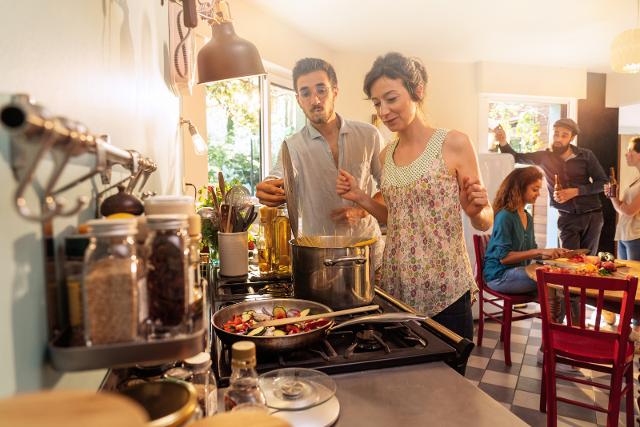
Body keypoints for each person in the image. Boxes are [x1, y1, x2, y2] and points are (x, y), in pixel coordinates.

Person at [335, 52, 492, 339]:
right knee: (406, 381)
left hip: (446, 288)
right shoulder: (386, 156)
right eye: (377, 103)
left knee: (452, 381)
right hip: (398, 289)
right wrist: (361, 197)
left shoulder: (453, 143)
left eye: (391, 98)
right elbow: (396, 218)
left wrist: (474, 211)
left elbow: (485, 222)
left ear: (417, 91)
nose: (383, 111)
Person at [255, 58, 384, 267]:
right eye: (306, 93)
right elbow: (278, 175)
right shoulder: (292, 145)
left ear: (335, 91)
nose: (315, 100)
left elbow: (390, 190)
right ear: (298, 99)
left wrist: (360, 210)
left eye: (321, 90)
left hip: (368, 255)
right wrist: (268, 188)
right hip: (320, 262)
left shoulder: (369, 135)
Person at [494, 119, 608, 255]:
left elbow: (603, 183)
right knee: (569, 260)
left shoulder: (586, 155)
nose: (558, 138)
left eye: (564, 135)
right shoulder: (544, 157)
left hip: (592, 215)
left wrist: (576, 191)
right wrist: (503, 141)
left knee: (589, 260)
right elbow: (516, 157)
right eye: (556, 134)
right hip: (567, 218)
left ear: (572, 138)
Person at [483, 167, 568, 294]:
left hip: (519, 271)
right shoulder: (505, 216)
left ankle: (559, 314)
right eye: (535, 189)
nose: (538, 194)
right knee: (555, 282)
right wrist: (539, 251)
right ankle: (557, 314)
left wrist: (554, 253)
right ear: (520, 189)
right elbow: (504, 258)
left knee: (561, 277)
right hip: (499, 276)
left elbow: (532, 252)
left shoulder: (527, 217)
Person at [607, 137, 640, 260]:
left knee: (636, 278)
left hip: (636, 237)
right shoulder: (636, 180)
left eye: (630, 150)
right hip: (625, 235)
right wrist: (612, 195)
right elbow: (623, 208)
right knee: (625, 277)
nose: (626, 154)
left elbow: (629, 211)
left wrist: (613, 196)